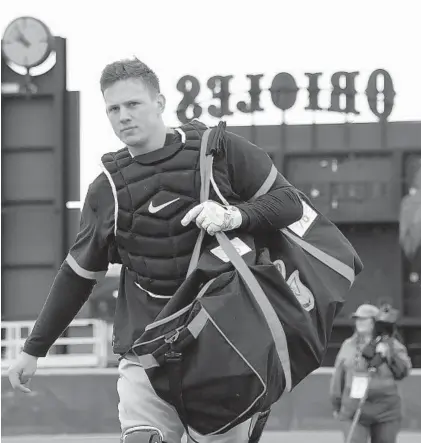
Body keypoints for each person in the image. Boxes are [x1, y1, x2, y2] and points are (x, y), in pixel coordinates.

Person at [8, 57, 304, 443]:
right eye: (113, 109)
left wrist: (235, 216)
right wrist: (34, 349)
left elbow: (291, 203)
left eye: (133, 104)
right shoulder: (107, 188)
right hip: (147, 344)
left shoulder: (219, 152)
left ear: (160, 102)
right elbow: (77, 276)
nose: (123, 116)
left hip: (223, 341)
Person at [330, 303, 412, 443]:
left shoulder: (392, 345)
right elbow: (338, 377)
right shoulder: (348, 345)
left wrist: (389, 355)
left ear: (376, 321)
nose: (359, 322)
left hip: (386, 410)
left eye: (364, 319)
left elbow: (403, 371)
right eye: (357, 319)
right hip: (354, 408)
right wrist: (336, 403)